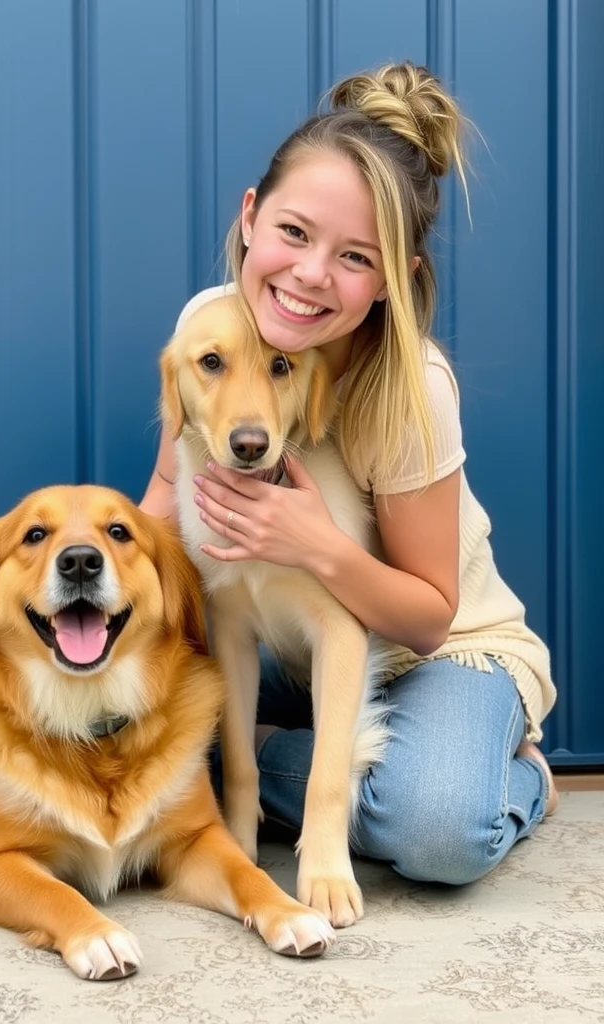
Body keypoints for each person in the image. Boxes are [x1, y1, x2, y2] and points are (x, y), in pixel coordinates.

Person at [139, 61, 557, 887]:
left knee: (437, 830)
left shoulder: (411, 391)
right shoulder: (206, 325)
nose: (310, 275)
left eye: (355, 257)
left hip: (437, 656)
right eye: (295, 233)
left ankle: (513, 778)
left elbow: (430, 617)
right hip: (294, 663)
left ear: (393, 279)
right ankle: (265, 759)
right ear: (252, 218)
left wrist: (318, 546)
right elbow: (164, 498)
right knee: (126, 728)